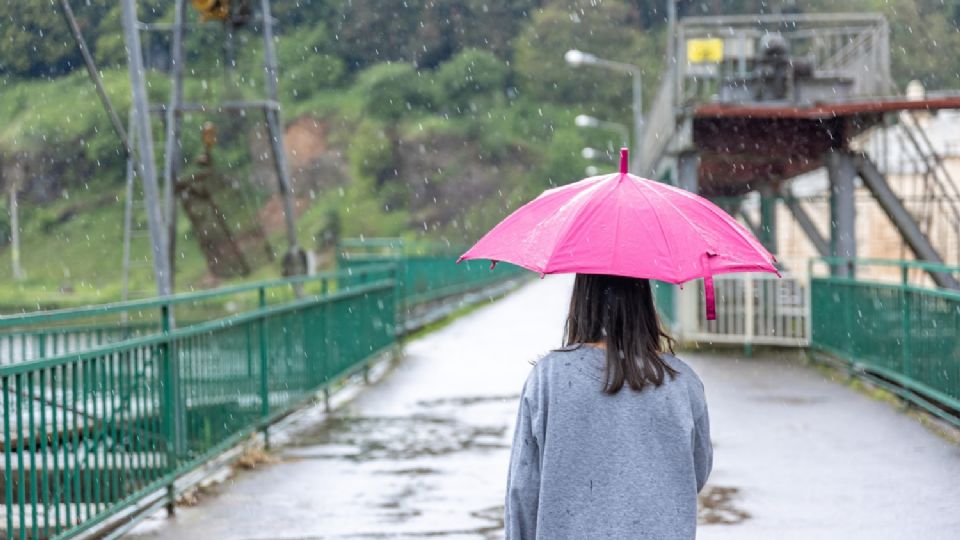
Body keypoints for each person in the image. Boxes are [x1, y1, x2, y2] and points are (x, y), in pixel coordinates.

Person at [505, 273, 712, 539]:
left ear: (581, 298)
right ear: (645, 300)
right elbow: (694, 472)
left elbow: (522, 491)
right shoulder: (682, 382)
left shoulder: (548, 378)